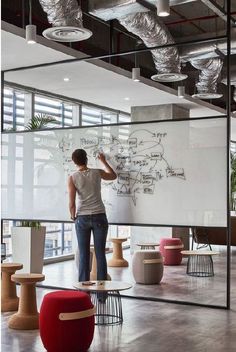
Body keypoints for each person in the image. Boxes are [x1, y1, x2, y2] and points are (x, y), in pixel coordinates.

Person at [68, 148, 117, 283]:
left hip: (82, 218)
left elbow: (71, 203)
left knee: (83, 255)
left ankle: (84, 293)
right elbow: (113, 176)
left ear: (74, 162)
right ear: (86, 159)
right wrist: (103, 161)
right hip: (100, 216)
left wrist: (73, 217)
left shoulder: (72, 178)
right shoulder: (97, 172)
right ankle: (102, 292)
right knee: (100, 254)